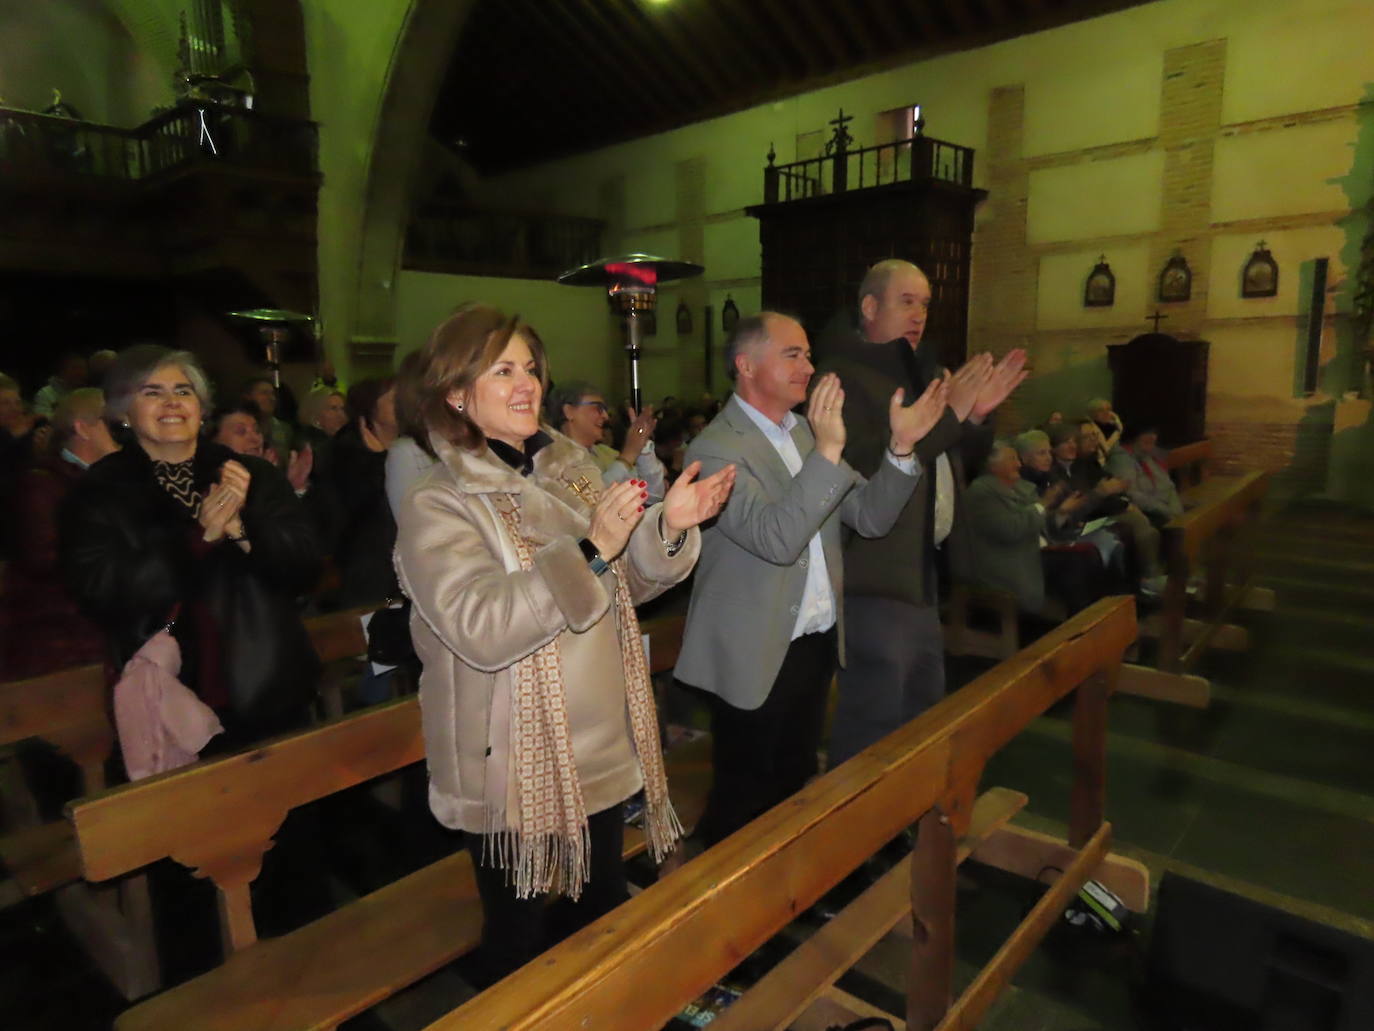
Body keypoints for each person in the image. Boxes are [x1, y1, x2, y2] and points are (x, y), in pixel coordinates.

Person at [393, 304, 735, 982]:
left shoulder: (568, 465)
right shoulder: (440, 501)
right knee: (519, 940)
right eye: (503, 370)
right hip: (509, 757)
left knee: (598, 913)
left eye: (530, 368)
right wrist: (591, 550)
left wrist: (668, 525)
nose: (527, 384)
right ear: (457, 393)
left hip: (597, 741)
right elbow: (482, 628)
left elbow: (622, 582)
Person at [676, 313, 947, 847]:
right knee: (741, 802)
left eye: (807, 353)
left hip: (813, 641)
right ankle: (719, 913)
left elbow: (869, 516)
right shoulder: (715, 448)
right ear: (747, 365)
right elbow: (776, 540)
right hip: (753, 649)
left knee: (791, 785)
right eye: (792, 355)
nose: (810, 366)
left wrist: (901, 448)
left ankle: (779, 904)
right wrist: (826, 452)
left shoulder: (802, 433)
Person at [818, 259, 1026, 769]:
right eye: (906, 302)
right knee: (875, 713)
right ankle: (860, 833)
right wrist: (952, 414)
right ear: (869, 307)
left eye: (925, 304)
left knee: (923, 704)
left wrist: (974, 417)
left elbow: (956, 461)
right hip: (872, 573)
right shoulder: (839, 375)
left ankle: (906, 815)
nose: (919, 315)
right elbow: (863, 465)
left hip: (922, 571)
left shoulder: (921, 373)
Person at [60, 345, 322, 745]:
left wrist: (241, 531)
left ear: (202, 408)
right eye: (151, 392)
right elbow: (102, 592)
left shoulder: (249, 473)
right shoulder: (98, 492)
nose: (171, 403)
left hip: (266, 679)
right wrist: (198, 538)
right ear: (123, 412)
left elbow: (306, 566)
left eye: (183, 391)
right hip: (172, 694)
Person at [1, 389, 116, 679]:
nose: (123, 432)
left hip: (104, 622)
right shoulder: (42, 484)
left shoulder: (114, 479)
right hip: (60, 632)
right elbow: (45, 560)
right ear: (83, 428)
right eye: (112, 424)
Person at [965, 441, 1107, 616]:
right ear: (992, 465)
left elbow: (1041, 523)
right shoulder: (982, 493)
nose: (1018, 464)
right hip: (1012, 560)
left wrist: (1062, 512)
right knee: (1076, 562)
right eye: (1012, 459)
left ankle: (1100, 618)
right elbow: (1011, 530)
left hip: (1038, 549)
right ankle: (1081, 626)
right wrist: (1043, 504)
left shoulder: (1021, 488)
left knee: (1089, 555)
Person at [331, 376, 401, 609]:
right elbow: (352, 512)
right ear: (371, 407)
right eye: (393, 400)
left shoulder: (412, 445)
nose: (403, 405)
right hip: (367, 570)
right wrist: (378, 459)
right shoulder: (346, 452)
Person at [548, 380, 666, 500]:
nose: (605, 416)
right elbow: (591, 501)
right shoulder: (554, 459)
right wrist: (628, 455)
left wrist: (642, 445)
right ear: (569, 411)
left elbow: (653, 496)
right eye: (598, 408)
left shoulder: (605, 452)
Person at [1108, 424, 1183, 527]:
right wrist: (1166, 510)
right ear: (1132, 440)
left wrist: (1176, 510)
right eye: (1146, 442)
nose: (1150, 448)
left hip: (1161, 507)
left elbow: (1167, 485)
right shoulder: (1121, 459)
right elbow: (1131, 494)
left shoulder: (1146, 455)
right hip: (1142, 511)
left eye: (1153, 443)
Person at [33, 352, 88, 417]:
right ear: (62, 370)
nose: (80, 373)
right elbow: (41, 418)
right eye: (75, 368)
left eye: (83, 368)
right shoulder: (45, 394)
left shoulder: (86, 394)